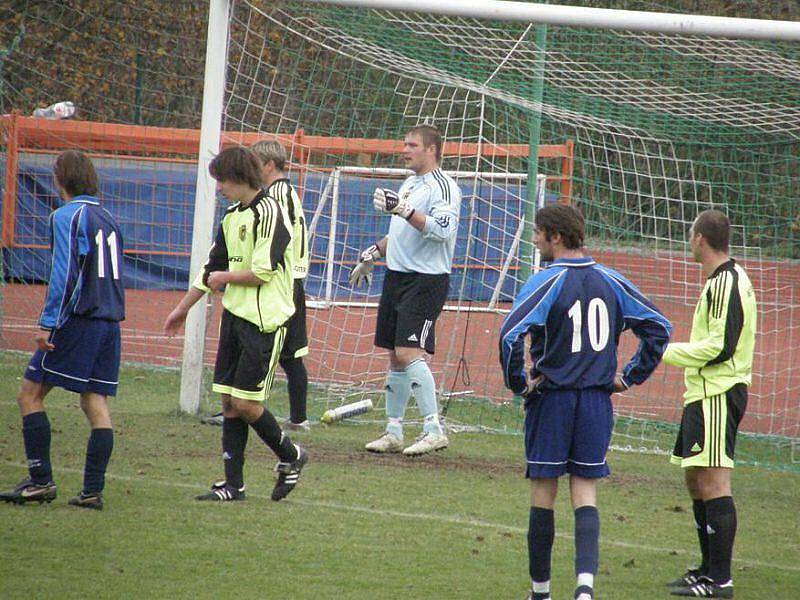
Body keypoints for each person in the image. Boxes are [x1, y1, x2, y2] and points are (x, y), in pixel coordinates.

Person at [499, 204, 672, 600]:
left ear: (556, 237)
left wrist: (519, 384)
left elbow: (510, 336)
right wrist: (630, 377)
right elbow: (659, 328)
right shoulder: (611, 280)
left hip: (552, 400)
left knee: (544, 492)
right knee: (585, 493)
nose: (535, 239)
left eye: (539, 233)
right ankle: (584, 591)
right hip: (596, 402)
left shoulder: (546, 281)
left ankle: (541, 592)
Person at [163, 145, 308, 502]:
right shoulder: (231, 216)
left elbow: (262, 273)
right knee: (228, 401)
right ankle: (233, 485)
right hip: (235, 318)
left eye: (222, 180)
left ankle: (292, 455)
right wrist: (183, 308)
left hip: (266, 322)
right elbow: (210, 269)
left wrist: (223, 277)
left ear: (241, 178)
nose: (219, 187)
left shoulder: (271, 212)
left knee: (246, 404)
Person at [0, 150, 125, 510]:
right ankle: (92, 491)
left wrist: (49, 323)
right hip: (109, 323)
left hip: (77, 322)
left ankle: (40, 481)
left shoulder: (66, 216)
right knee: (94, 401)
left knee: (29, 394)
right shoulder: (109, 218)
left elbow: (64, 274)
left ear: (60, 179)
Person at [349, 124, 461, 456]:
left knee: (409, 352)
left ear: (432, 150)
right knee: (395, 357)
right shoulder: (410, 183)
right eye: (404, 144)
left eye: (412, 145)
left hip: (425, 280)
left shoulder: (445, 187)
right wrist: (371, 254)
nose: (405, 150)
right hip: (396, 277)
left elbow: (441, 230)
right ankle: (394, 430)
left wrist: (404, 209)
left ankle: (433, 428)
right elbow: (399, 232)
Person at [664, 210, 756, 599]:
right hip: (702, 393)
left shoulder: (727, 283)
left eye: (690, 236)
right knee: (694, 478)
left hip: (718, 391)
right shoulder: (722, 280)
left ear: (700, 238)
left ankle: (720, 581)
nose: (689, 242)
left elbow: (720, 347)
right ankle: (706, 570)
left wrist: (663, 352)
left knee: (714, 481)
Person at [251, 140, 311, 432]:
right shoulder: (285, 191)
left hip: (283, 282)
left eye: (255, 163)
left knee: (269, 346)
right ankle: (298, 418)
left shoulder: (276, 194)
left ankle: (245, 408)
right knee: (289, 352)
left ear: (269, 165)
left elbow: (277, 238)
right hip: (291, 280)